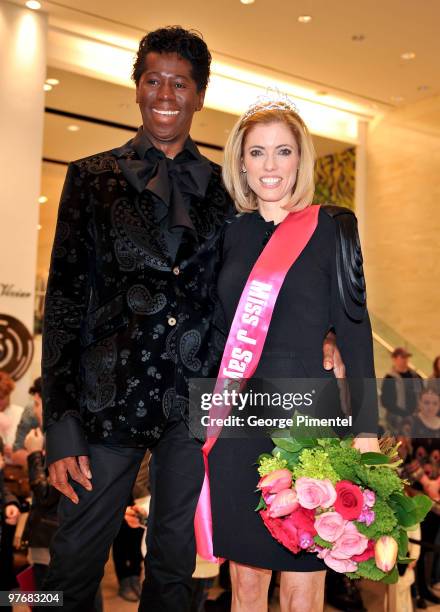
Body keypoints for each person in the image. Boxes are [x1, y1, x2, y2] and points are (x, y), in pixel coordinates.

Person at [42, 27, 344, 612]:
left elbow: (267, 290)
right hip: (105, 405)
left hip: (196, 405)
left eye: (179, 83)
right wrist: (61, 423)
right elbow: (62, 305)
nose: (165, 93)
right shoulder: (90, 178)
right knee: (74, 558)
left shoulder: (228, 194)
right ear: (136, 89)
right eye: (153, 79)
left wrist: (324, 333)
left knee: (177, 563)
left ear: (199, 96)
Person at [207, 98, 378, 611]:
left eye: (283, 151)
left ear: (301, 159)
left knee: (303, 581)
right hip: (237, 422)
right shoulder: (227, 236)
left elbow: (355, 332)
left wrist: (366, 431)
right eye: (257, 152)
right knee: (245, 582)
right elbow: (217, 335)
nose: (270, 165)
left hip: (310, 422)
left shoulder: (333, 226)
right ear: (241, 162)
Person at [381, 347, 423, 432]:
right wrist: (402, 413)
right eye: (402, 357)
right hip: (396, 418)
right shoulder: (389, 378)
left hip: (415, 418)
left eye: (406, 357)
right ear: (394, 359)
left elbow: (422, 394)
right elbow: (385, 401)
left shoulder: (415, 376)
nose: (405, 360)